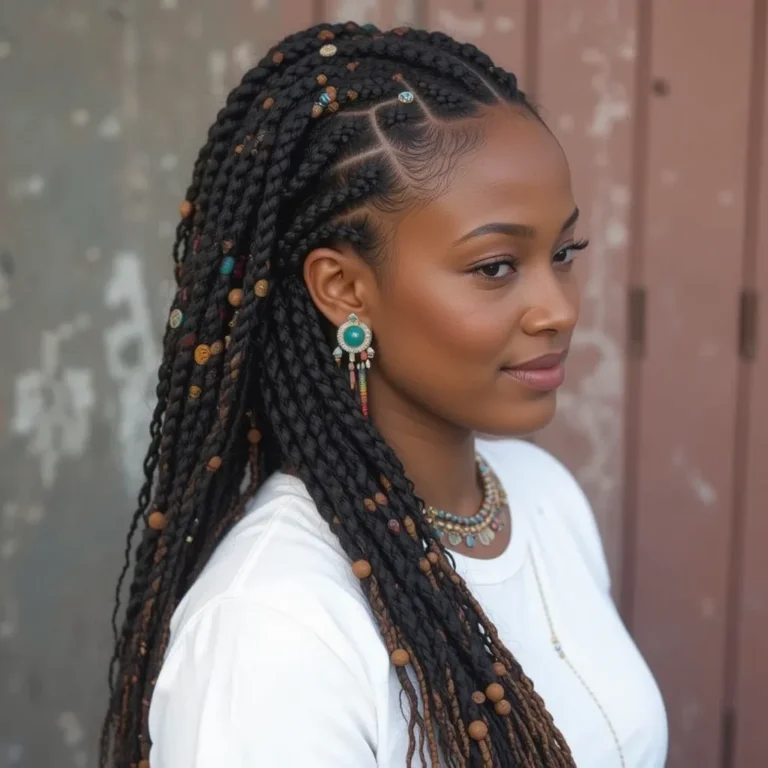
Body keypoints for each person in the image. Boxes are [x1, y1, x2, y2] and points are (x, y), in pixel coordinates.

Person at [100, 22, 668, 768]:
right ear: (344, 289)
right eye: (495, 267)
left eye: (562, 253)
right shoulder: (275, 626)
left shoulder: (545, 496)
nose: (558, 308)